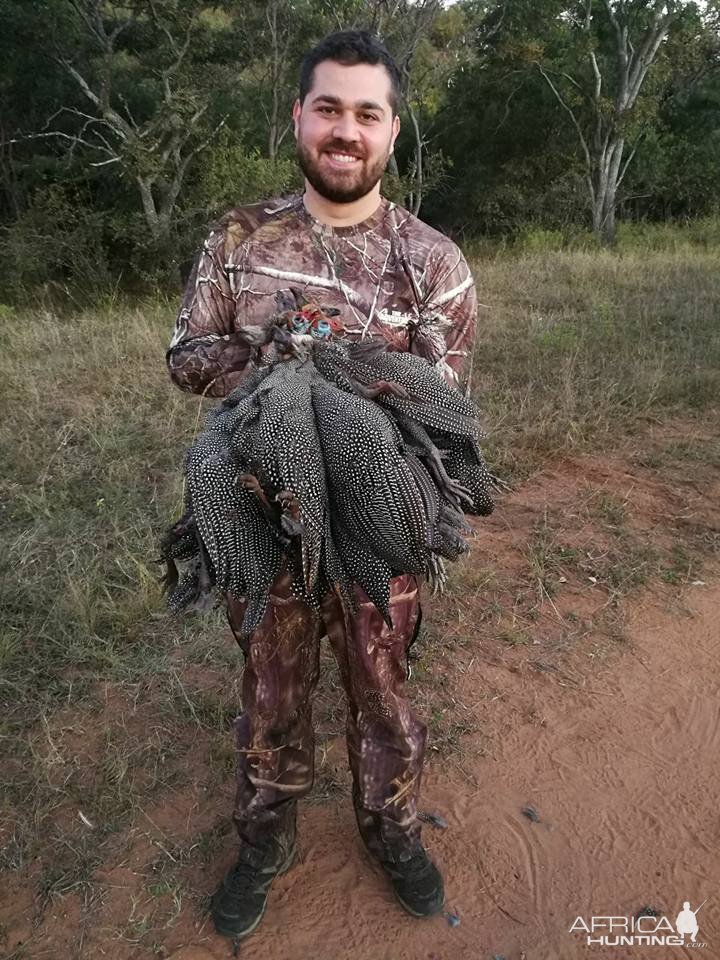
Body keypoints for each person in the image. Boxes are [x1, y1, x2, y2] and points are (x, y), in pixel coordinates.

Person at [166, 29, 478, 941]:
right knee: (271, 684)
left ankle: (391, 828)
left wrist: (349, 378)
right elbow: (184, 357)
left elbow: (442, 409)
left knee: (383, 688)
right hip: (262, 514)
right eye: (329, 108)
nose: (347, 130)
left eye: (367, 114)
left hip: (380, 524)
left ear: (391, 131)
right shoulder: (238, 238)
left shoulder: (433, 263)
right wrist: (273, 362)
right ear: (299, 116)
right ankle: (264, 839)